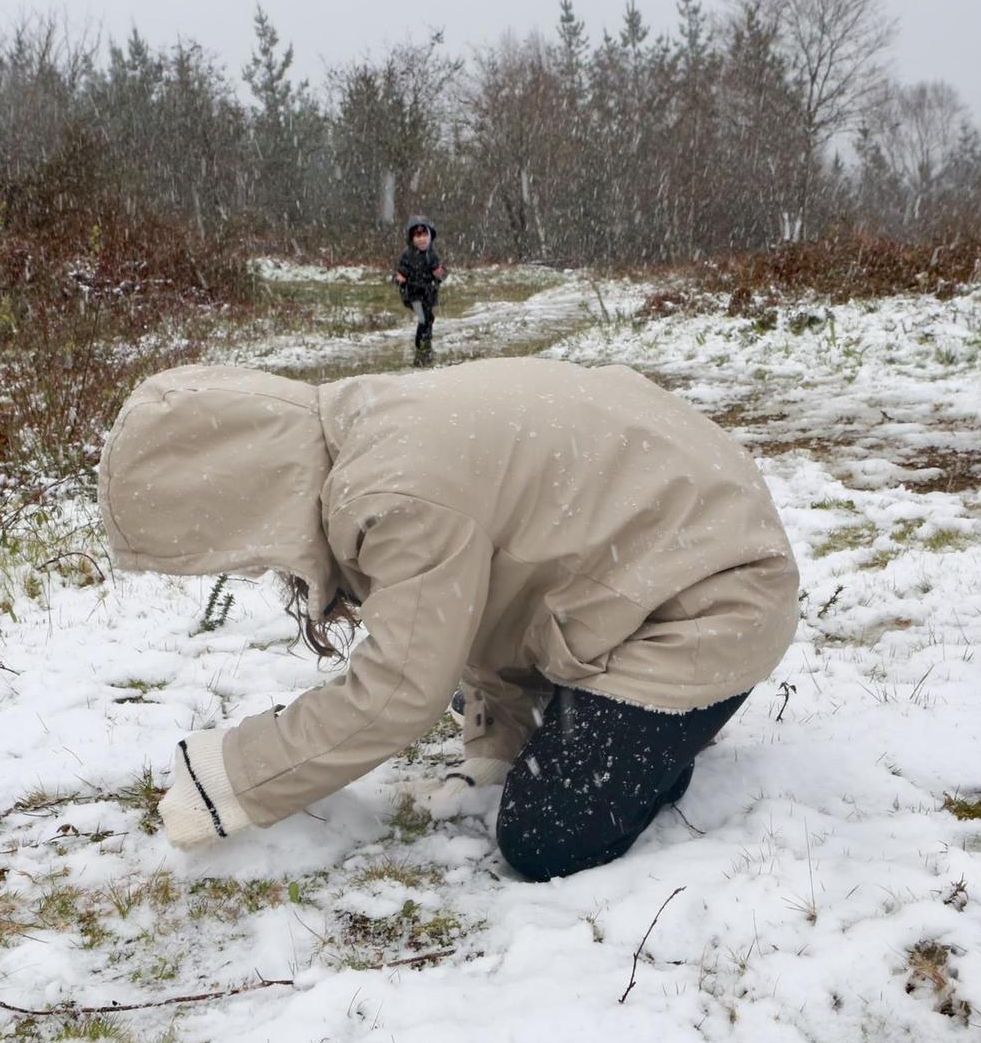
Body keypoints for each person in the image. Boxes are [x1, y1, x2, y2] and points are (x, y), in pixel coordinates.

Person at [96, 358, 800, 881]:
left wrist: (233, 776)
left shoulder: (392, 491)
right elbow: (496, 584)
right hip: (645, 569)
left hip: (710, 601)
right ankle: (594, 726)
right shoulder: (364, 426)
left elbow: (401, 692)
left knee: (545, 839)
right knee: (441, 646)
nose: (250, 566)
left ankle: (661, 749)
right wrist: (498, 742)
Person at [393, 216, 445, 355]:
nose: (421, 239)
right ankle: (420, 344)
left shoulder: (432, 255)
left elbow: (439, 271)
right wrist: (399, 278)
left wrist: (439, 273)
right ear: (412, 238)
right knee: (423, 317)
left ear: (430, 236)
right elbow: (401, 271)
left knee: (429, 318)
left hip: (428, 293)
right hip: (412, 294)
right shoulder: (408, 255)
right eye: (418, 236)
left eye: (424, 235)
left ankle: (426, 343)